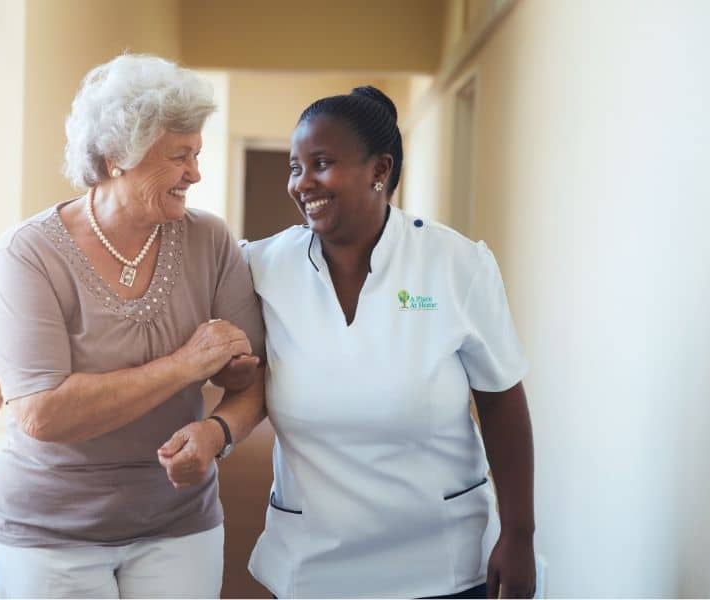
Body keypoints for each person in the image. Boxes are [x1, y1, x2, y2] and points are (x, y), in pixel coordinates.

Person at [165, 85, 536, 598]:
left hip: (441, 563)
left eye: (321, 163)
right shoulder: (261, 266)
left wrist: (519, 535)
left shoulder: (455, 265)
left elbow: (502, 403)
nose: (302, 183)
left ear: (379, 170)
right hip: (313, 563)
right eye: (296, 167)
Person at [0, 53, 265, 599]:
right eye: (179, 156)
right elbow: (43, 413)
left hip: (179, 522)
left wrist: (218, 430)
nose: (196, 173)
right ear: (117, 156)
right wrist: (186, 364)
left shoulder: (210, 240)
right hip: (49, 533)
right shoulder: (29, 254)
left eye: (198, 153)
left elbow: (251, 380)